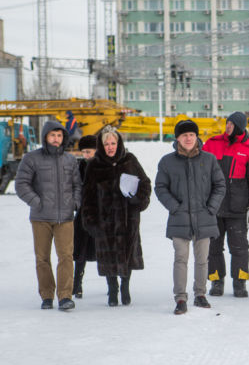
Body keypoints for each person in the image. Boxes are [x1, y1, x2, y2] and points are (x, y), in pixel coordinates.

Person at [154, 120, 226, 315]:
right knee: (181, 258)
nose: (188, 138)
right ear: (177, 138)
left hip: (204, 217)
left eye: (191, 135)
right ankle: (180, 298)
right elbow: (160, 187)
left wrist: (211, 208)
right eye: (184, 135)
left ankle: (200, 294)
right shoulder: (167, 162)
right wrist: (174, 207)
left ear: (197, 137)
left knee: (202, 259)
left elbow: (220, 185)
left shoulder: (209, 160)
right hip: (180, 219)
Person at [15, 120, 82, 311]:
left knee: (66, 256)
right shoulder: (32, 158)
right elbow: (21, 184)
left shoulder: (70, 160)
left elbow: (78, 185)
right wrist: (37, 202)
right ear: (45, 136)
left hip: (65, 218)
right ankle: (46, 295)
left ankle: (65, 296)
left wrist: (75, 203)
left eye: (59, 136)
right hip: (41, 218)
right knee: (42, 258)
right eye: (53, 135)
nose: (56, 139)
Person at [82, 126, 151, 307]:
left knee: (127, 253)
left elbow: (145, 183)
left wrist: (138, 200)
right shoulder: (94, 165)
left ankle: (125, 287)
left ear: (119, 143)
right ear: (101, 145)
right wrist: (91, 221)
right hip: (104, 220)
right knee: (108, 256)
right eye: (106, 144)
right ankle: (112, 289)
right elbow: (87, 196)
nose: (110, 147)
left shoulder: (130, 160)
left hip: (128, 219)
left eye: (113, 143)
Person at [202, 111, 249, 298]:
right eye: (227, 123)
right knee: (213, 248)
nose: (227, 126)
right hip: (214, 208)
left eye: (231, 124)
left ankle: (240, 282)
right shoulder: (212, 144)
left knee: (239, 248)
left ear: (239, 127)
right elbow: (200, 172)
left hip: (238, 209)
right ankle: (216, 281)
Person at [72, 135, 98, 299]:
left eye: (89, 152)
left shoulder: (104, 166)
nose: (86, 155)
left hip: (101, 215)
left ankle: (112, 285)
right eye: (84, 152)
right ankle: (77, 284)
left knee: (104, 251)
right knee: (79, 251)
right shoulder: (80, 166)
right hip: (82, 213)